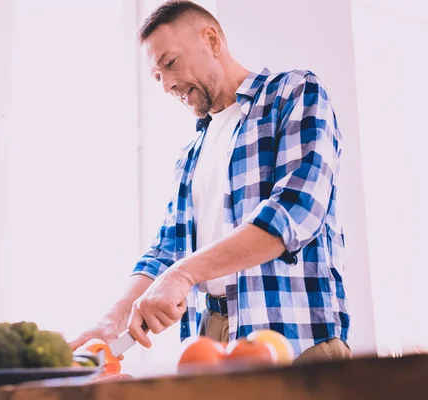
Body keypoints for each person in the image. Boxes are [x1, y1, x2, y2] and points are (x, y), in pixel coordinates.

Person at [70, 0, 351, 363]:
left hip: (297, 340)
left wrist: (183, 275)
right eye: (157, 77)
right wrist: (114, 318)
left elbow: (295, 212)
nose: (168, 84)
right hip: (214, 343)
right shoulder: (191, 155)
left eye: (170, 63)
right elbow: (167, 250)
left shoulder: (294, 93)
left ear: (212, 40)